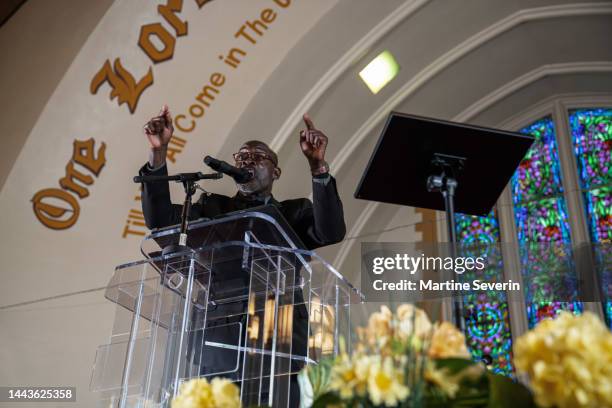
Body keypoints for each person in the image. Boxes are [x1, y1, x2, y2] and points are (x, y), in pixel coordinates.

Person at [138, 105, 346, 405]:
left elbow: (331, 231)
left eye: (257, 157)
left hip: (280, 336)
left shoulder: (292, 212)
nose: (247, 161)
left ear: (275, 171)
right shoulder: (211, 208)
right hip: (220, 338)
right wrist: (158, 155)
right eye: (241, 157)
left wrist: (318, 169)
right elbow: (160, 221)